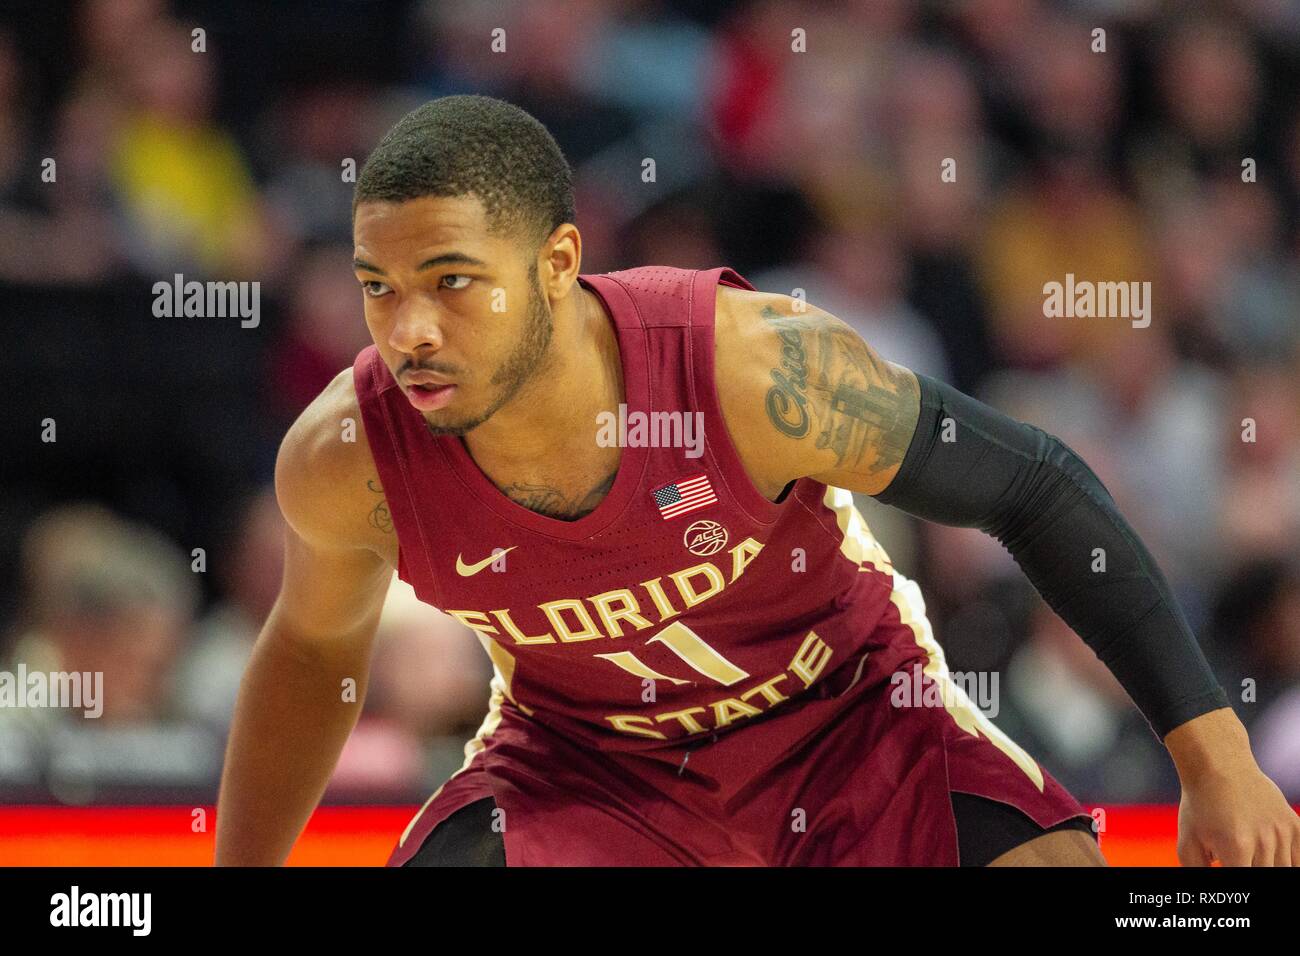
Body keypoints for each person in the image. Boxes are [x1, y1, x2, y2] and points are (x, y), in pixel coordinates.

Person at [215, 95, 1299, 867]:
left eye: (452, 282)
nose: (409, 330)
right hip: (591, 766)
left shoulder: (748, 366)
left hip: (851, 724)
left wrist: (1215, 760)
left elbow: (1038, 485)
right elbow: (312, 647)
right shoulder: (344, 455)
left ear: (555, 263)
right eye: (377, 287)